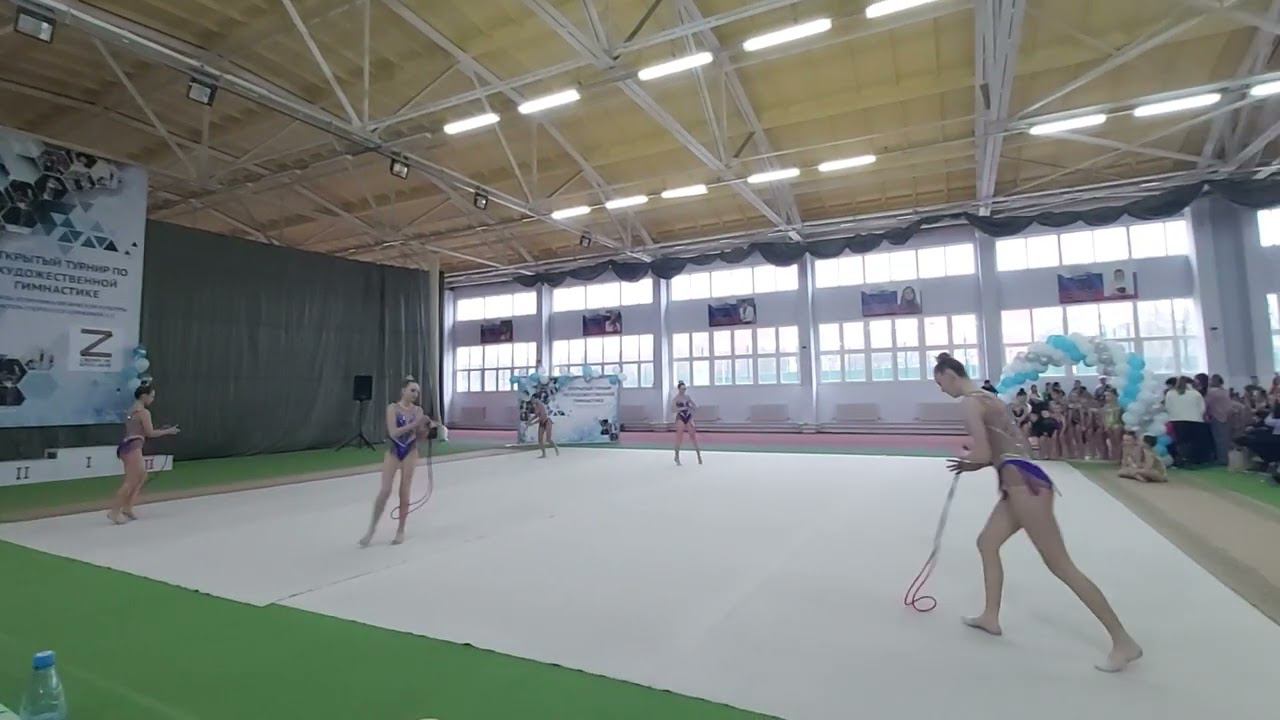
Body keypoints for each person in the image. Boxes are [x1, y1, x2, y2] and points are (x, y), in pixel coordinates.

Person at [932, 353, 1142, 672]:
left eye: (940, 383)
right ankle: (990, 616)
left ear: (950, 375)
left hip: (1024, 486)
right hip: (1020, 480)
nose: (941, 390)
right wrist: (975, 462)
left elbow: (984, 452)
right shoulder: (989, 397)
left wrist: (967, 460)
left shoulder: (971, 403)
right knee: (987, 543)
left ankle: (1123, 641)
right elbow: (1002, 449)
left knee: (1061, 565)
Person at [359, 377, 433, 547]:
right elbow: (393, 432)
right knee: (385, 490)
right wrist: (415, 424)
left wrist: (426, 428)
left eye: (417, 392)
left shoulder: (418, 410)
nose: (415, 394)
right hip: (394, 451)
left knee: (404, 491)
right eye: (412, 390)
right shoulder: (392, 408)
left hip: (410, 451)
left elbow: (420, 435)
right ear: (403, 391)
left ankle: (401, 529)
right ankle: (371, 529)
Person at [108, 384, 179, 525]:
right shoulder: (143, 412)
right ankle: (114, 511)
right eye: (151, 396)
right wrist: (168, 431)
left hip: (127, 446)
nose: (152, 399)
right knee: (131, 480)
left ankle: (127, 507)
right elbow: (150, 433)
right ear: (144, 396)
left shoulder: (131, 410)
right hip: (133, 446)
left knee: (141, 476)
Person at [1166, 376, 1209, 467]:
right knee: (1193, 441)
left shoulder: (1170, 393)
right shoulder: (1196, 394)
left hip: (1177, 420)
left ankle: (1182, 459)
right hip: (1195, 420)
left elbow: (1168, 407)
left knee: (1181, 442)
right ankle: (1193, 460)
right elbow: (1202, 408)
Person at [671, 381, 703, 466]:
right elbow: (673, 409)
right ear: (679, 389)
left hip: (688, 416)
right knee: (679, 437)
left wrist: (691, 407)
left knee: (693, 436)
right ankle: (676, 456)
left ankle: (699, 455)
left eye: (685, 389)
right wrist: (682, 408)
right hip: (681, 417)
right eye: (682, 389)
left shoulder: (687, 397)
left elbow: (695, 407)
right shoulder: (676, 398)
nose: (683, 390)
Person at [1205, 374, 1232, 466]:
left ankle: (1222, 459)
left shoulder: (1212, 393)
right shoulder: (1225, 392)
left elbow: (1205, 404)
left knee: (1219, 439)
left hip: (1217, 416)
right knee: (1225, 439)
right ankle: (1226, 458)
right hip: (1227, 417)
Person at [526, 395, 560, 459]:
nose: (532, 401)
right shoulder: (535, 406)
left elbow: (541, 417)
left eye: (533, 399)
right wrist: (529, 421)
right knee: (540, 440)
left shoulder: (541, 405)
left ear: (537, 399)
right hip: (541, 423)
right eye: (531, 400)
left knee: (548, 439)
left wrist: (532, 423)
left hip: (547, 422)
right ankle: (544, 454)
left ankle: (556, 448)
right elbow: (536, 416)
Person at [1102, 388, 1125, 462]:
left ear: (1114, 396)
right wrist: (1106, 426)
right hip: (1108, 426)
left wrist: (1112, 425)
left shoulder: (1119, 406)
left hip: (1117, 425)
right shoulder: (1105, 407)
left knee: (1117, 439)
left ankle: (1119, 457)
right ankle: (1114, 457)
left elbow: (1118, 418)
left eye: (1109, 396)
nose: (1107, 398)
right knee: (1112, 441)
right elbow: (1104, 418)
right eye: (1106, 396)